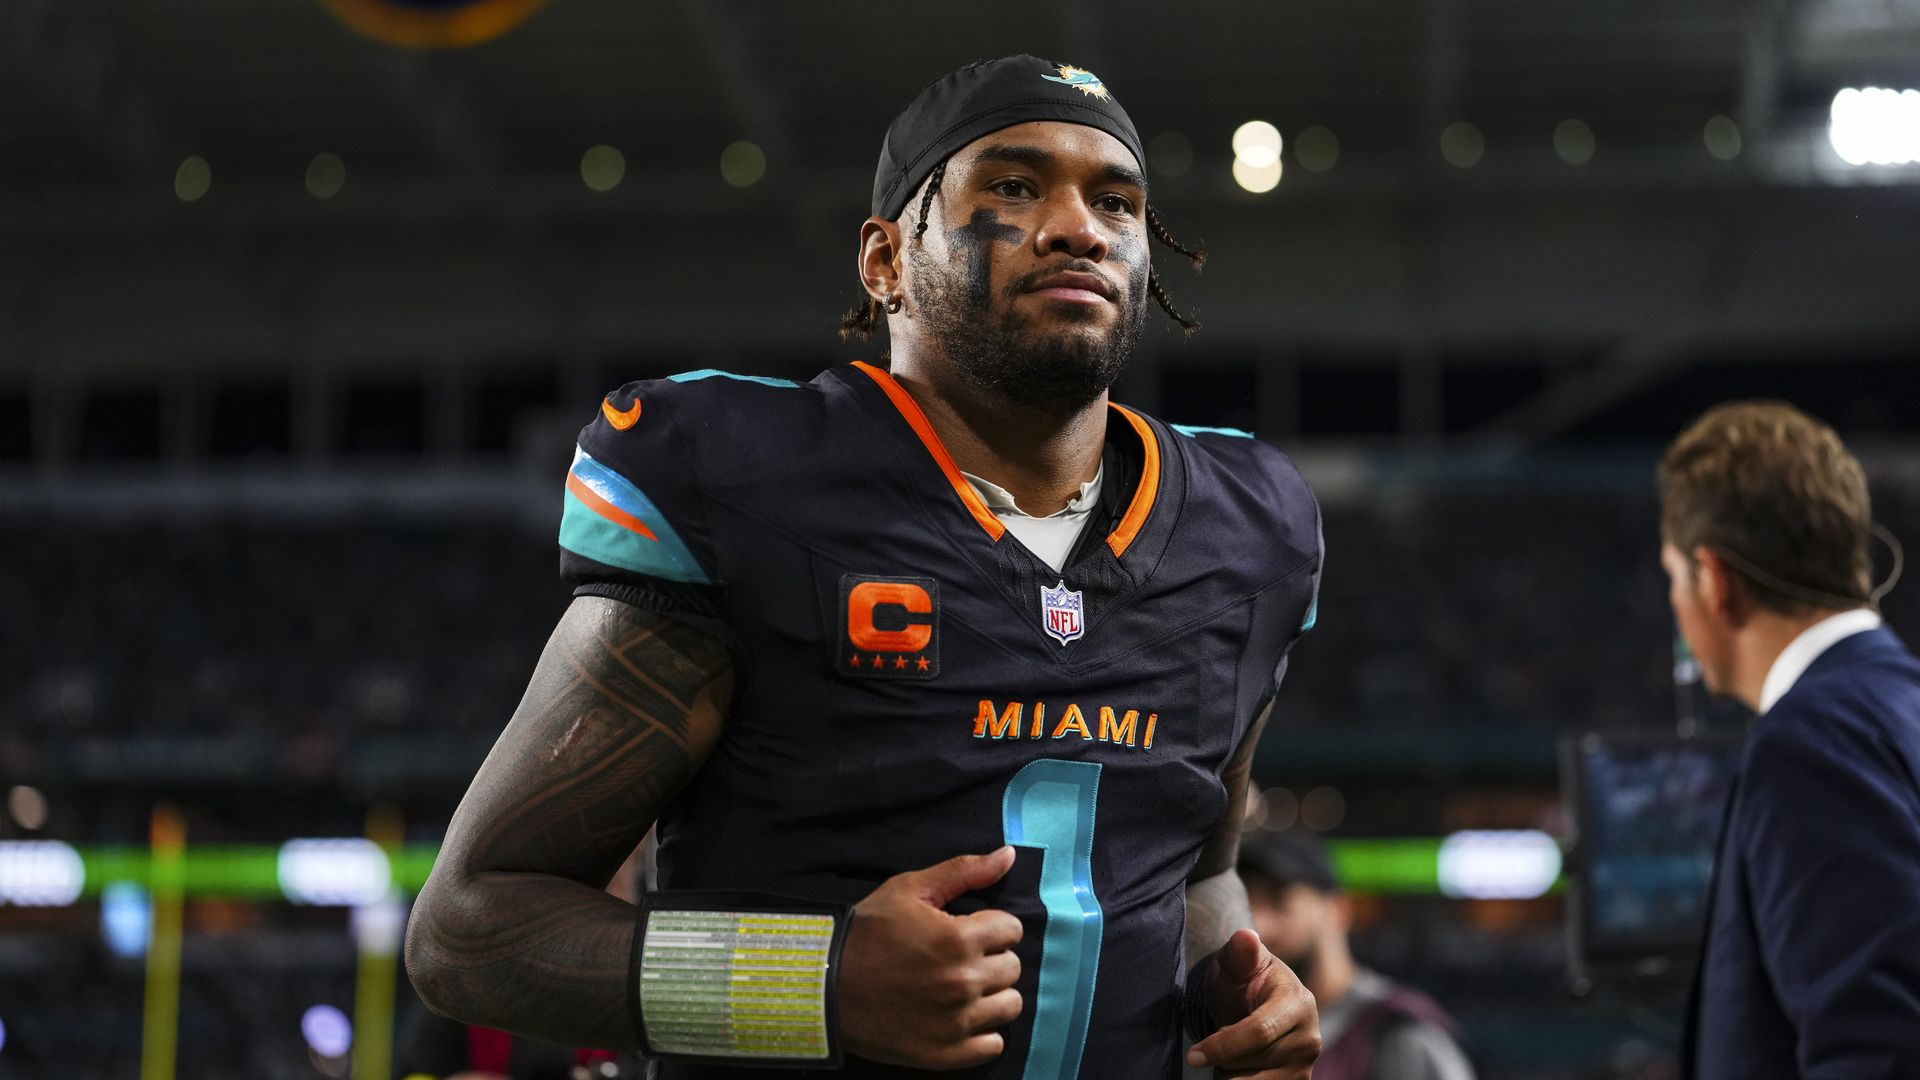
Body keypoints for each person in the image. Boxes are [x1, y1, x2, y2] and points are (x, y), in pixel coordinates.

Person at [405, 54, 1325, 1079]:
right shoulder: (746, 481)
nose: (1079, 227)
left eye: (1116, 201)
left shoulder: (1248, 530)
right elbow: (467, 931)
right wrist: (817, 983)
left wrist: (1235, 993)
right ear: (886, 262)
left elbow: (1198, 873)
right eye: (1014, 186)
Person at [1660, 402, 1920, 1078]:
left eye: (1673, 578)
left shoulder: (1809, 743)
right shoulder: (1897, 705)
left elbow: (1877, 1048)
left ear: (1714, 581)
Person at [1232, 830, 1473, 1080]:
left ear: (1337, 910)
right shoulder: (1247, 1027)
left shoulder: (1397, 1032)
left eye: (1278, 901)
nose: (1259, 925)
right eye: (1249, 906)